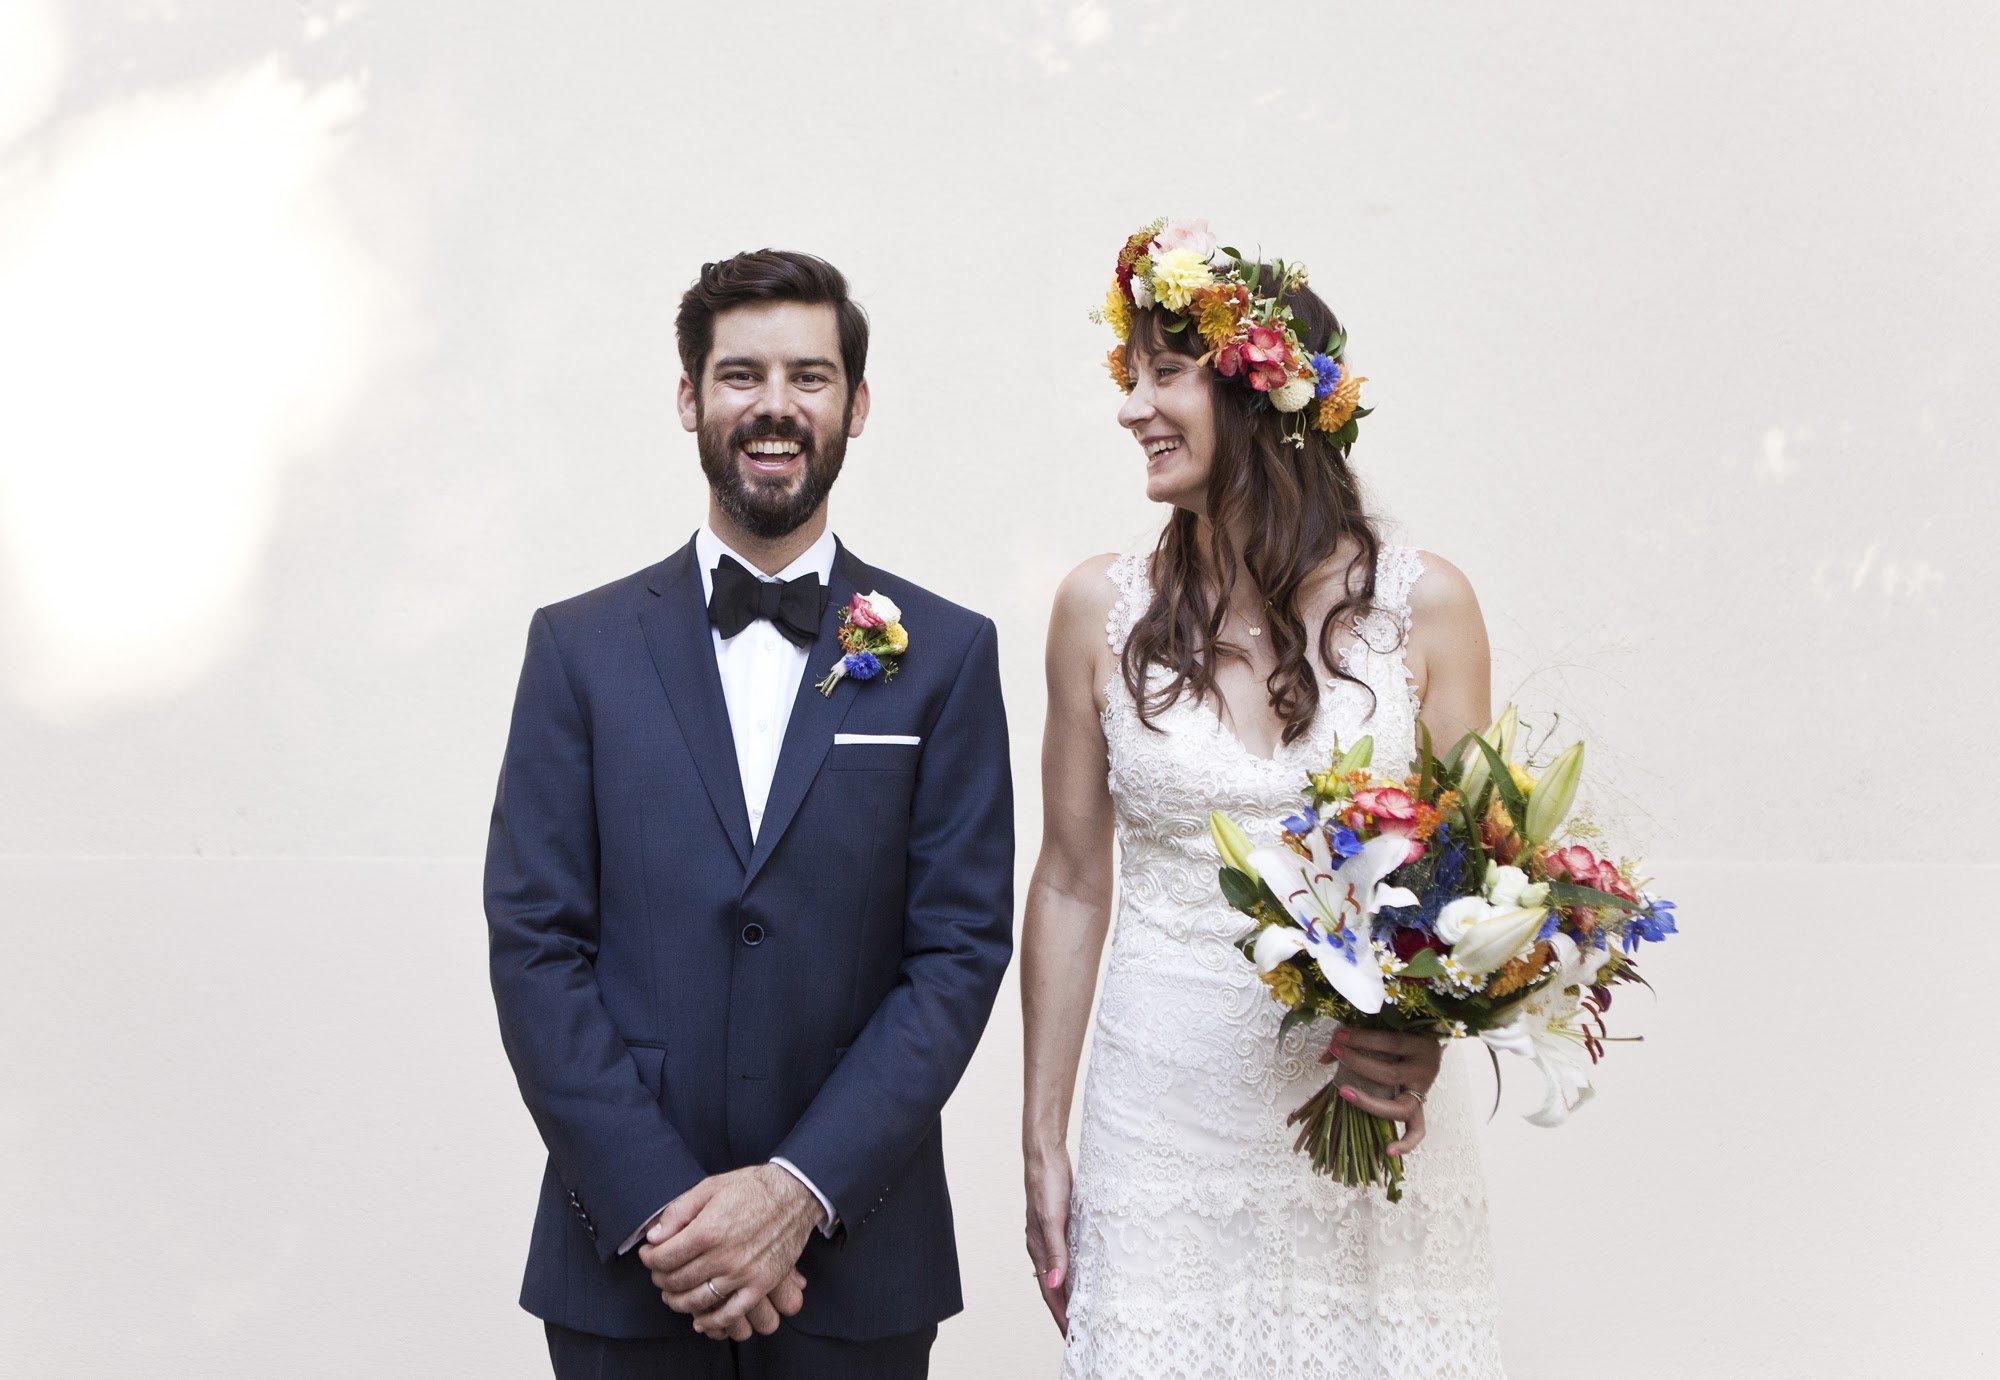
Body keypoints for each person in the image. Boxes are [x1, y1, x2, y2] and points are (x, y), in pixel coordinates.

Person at [485, 249, 1013, 1379]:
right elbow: (534, 943)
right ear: (689, 398)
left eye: (810, 376)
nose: (775, 405)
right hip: (630, 1262)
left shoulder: (947, 655)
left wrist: (795, 1191)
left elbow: (960, 951)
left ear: (855, 406)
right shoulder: (575, 649)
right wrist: (667, 1211)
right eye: (741, 374)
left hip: (859, 1260)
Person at [1021, 220, 1506, 1378]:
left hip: (1360, 1110)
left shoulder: (1425, 606)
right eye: (1129, 375)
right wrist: (1041, 1136)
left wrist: (1422, 1037)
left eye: (1166, 373)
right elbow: (1071, 881)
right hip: (1159, 1115)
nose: (1131, 407)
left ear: (1262, 392)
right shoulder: (1096, 611)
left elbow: (1473, 881)